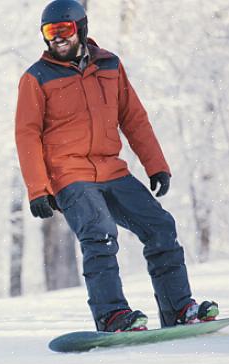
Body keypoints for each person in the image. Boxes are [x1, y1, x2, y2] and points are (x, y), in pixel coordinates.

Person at [14, 0, 218, 332]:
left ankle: (179, 309)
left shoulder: (110, 65)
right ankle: (112, 315)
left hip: (112, 170)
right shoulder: (36, 78)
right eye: (50, 33)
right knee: (99, 233)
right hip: (69, 176)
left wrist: (157, 165)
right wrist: (38, 189)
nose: (57, 39)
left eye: (63, 30)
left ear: (81, 28)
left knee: (160, 226)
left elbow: (133, 117)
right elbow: (27, 135)